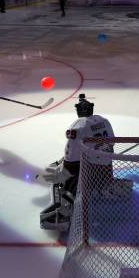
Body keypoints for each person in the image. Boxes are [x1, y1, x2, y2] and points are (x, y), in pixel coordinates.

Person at [39, 94, 116, 231]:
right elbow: (112, 142)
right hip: (106, 171)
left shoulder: (78, 125)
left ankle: (65, 211)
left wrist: (58, 171)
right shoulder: (104, 120)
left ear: (78, 110)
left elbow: (71, 160)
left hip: (88, 175)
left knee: (56, 175)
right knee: (70, 165)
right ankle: (102, 187)